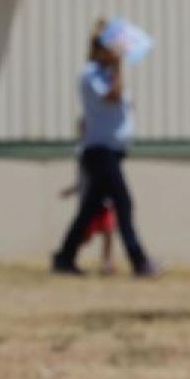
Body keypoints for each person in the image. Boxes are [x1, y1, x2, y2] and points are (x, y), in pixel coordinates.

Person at [52, 22, 158, 278]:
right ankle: (140, 261)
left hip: (113, 151)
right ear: (99, 50)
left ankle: (64, 258)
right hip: (100, 151)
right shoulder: (90, 75)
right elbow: (112, 97)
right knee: (123, 203)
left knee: (89, 210)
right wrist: (119, 66)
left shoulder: (109, 75)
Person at [59, 118, 119, 274]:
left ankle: (107, 263)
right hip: (89, 198)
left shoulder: (104, 146)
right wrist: (73, 189)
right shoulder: (82, 150)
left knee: (108, 230)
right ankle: (67, 257)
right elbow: (83, 177)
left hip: (105, 198)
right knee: (84, 234)